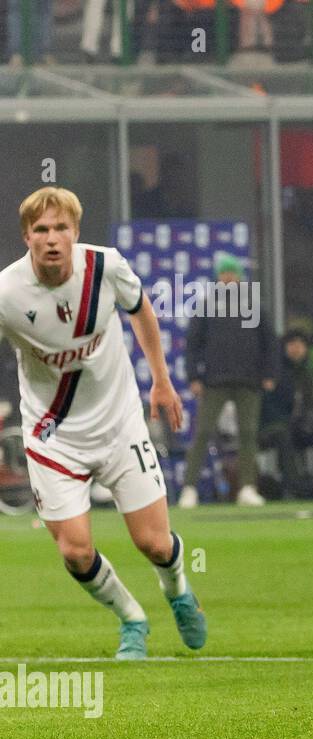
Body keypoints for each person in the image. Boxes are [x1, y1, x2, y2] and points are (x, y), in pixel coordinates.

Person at [0, 187, 207, 660]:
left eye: (61, 228)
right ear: (26, 237)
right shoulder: (8, 293)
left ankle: (177, 591)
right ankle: (132, 618)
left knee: (154, 543)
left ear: (76, 231)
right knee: (74, 551)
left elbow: (141, 313)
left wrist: (161, 380)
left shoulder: (106, 267)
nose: (52, 238)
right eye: (41, 230)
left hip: (119, 425)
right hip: (52, 438)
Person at [179, 251, 277, 508]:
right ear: (217, 278)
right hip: (215, 381)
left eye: (232, 274)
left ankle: (247, 487)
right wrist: (194, 376)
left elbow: (269, 341)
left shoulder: (254, 304)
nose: (228, 279)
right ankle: (189, 489)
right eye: (224, 274)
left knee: (248, 433)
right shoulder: (207, 305)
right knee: (202, 433)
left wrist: (268, 373)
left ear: (240, 277)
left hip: (248, 380)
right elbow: (193, 344)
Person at [258, 329, 313, 499]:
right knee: (283, 434)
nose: (296, 349)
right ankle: (296, 488)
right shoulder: (275, 373)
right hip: (272, 428)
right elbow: (266, 406)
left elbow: (310, 406)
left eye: (300, 345)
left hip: (300, 428)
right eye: (292, 345)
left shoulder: (306, 374)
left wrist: (308, 423)